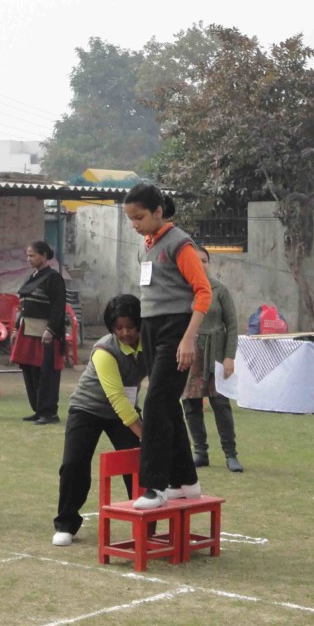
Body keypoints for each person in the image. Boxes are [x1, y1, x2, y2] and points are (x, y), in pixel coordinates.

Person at [122, 183, 210, 509]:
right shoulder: (146, 244)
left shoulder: (180, 244)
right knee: (168, 406)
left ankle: (155, 486)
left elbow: (203, 292)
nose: (135, 224)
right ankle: (186, 480)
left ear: (159, 211)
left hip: (176, 330)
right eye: (131, 219)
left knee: (154, 405)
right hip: (152, 328)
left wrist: (188, 338)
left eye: (140, 217)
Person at [52, 294, 147, 547]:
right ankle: (66, 524)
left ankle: (145, 525)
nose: (125, 333)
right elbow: (116, 397)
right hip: (88, 409)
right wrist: (144, 434)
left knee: (137, 462)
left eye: (130, 326)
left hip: (124, 411)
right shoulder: (105, 349)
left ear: (140, 324)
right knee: (74, 464)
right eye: (118, 328)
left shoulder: (149, 344)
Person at [182, 244, 242, 472]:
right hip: (190, 354)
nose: (201, 264)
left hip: (216, 352)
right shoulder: (183, 290)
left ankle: (230, 453)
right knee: (191, 403)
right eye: (195, 260)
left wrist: (229, 357)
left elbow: (233, 325)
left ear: (209, 263)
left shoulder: (220, 290)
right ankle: (201, 452)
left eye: (204, 260)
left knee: (221, 404)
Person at [12, 240, 66, 425]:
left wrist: (50, 330)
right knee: (30, 371)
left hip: (45, 334)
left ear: (43, 256)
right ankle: (38, 409)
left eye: (32, 255)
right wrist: (16, 327)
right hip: (27, 331)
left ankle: (49, 412)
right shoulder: (31, 277)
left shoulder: (53, 278)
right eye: (27, 255)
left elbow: (59, 307)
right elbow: (23, 306)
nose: (29, 259)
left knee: (46, 373)